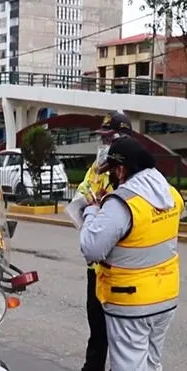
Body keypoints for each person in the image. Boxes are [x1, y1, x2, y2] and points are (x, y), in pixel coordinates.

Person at [79, 137, 183, 371]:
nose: (111, 177)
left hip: (131, 302)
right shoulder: (170, 194)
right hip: (165, 297)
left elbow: (91, 248)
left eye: (112, 171)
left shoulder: (122, 203)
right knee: (151, 364)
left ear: (122, 169)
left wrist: (93, 212)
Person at [76, 111, 132, 371]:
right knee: (97, 331)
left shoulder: (132, 171)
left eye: (110, 139)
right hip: (96, 269)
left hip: (121, 270)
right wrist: (87, 206)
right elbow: (82, 192)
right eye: (103, 138)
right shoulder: (96, 168)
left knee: (122, 337)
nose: (105, 144)